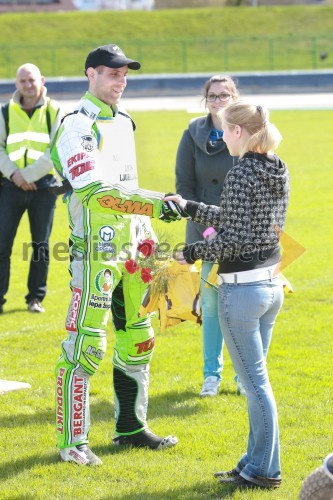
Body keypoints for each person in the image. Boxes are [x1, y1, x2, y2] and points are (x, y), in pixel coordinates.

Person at [51, 44, 181, 466]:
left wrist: (149, 232)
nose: (120, 81)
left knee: (139, 339)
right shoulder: (74, 124)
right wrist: (154, 202)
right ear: (90, 74)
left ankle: (130, 427)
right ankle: (73, 440)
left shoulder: (124, 121)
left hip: (136, 250)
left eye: (124, 74)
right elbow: (93, 192)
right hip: (95, 252)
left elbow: (127, 181)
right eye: (112, 73)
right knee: (86, 344)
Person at [165, 101, 290, 489]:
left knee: (255, 386)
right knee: (258, 383)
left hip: (243, 291)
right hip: (270, 285)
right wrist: (189, 207)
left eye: (223, 131)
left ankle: (264, 471)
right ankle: (253, 463)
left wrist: (190, 252)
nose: (220, 137)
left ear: (239, 132)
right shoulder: (276, 166)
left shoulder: (240, 172)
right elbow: (238, 220)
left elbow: (232, 239)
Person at [175, 74, 241, 398]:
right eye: (212, 96)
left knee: (241, 308)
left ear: (234, 97)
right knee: (213, 308)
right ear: (206, 100)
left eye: (224, 95)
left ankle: (244, 376)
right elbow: (184, 187)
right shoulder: (192, 133)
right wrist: (209, 230)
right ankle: (211, 376)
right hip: (205, 233)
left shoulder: (246, 131)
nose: (218, 101)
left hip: (243, 235)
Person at [0, 63, 63, 314]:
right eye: (23, 81)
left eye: (32, 80)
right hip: (9, 186)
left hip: (43, 187)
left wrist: (26, 175)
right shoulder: (5, 111)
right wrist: (16, 175)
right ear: (16, 83)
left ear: (42, 80)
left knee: (41, 246)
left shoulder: (54, 110)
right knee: (2, 244)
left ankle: (35, 298)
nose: (27, 85)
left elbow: (55, 151)